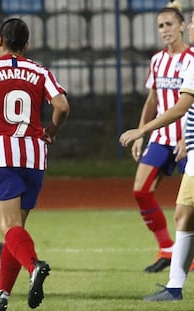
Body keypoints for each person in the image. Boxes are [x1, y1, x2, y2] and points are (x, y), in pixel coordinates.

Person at [0, 18, 70, 310]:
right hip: (34, 154)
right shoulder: (40, 71)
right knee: (16, 228)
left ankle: (34, 267)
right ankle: (2, 295)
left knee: (9, 228)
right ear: (26, 44)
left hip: (2, 155)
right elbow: (62, 107)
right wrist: (52, 132)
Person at [120, 9, 194, 301]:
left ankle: (176, 279)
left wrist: (185, 137)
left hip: (184, 140)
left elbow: (181, 108)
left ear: (180, 27)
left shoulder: (191, 60)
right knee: (145, 192)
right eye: (160, 25)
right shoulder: (157, 60)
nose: (165, 30)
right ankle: (168, 252)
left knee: (185, 213)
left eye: (169, 24)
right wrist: (143, 131)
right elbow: (153, 99)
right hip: (163, 137)